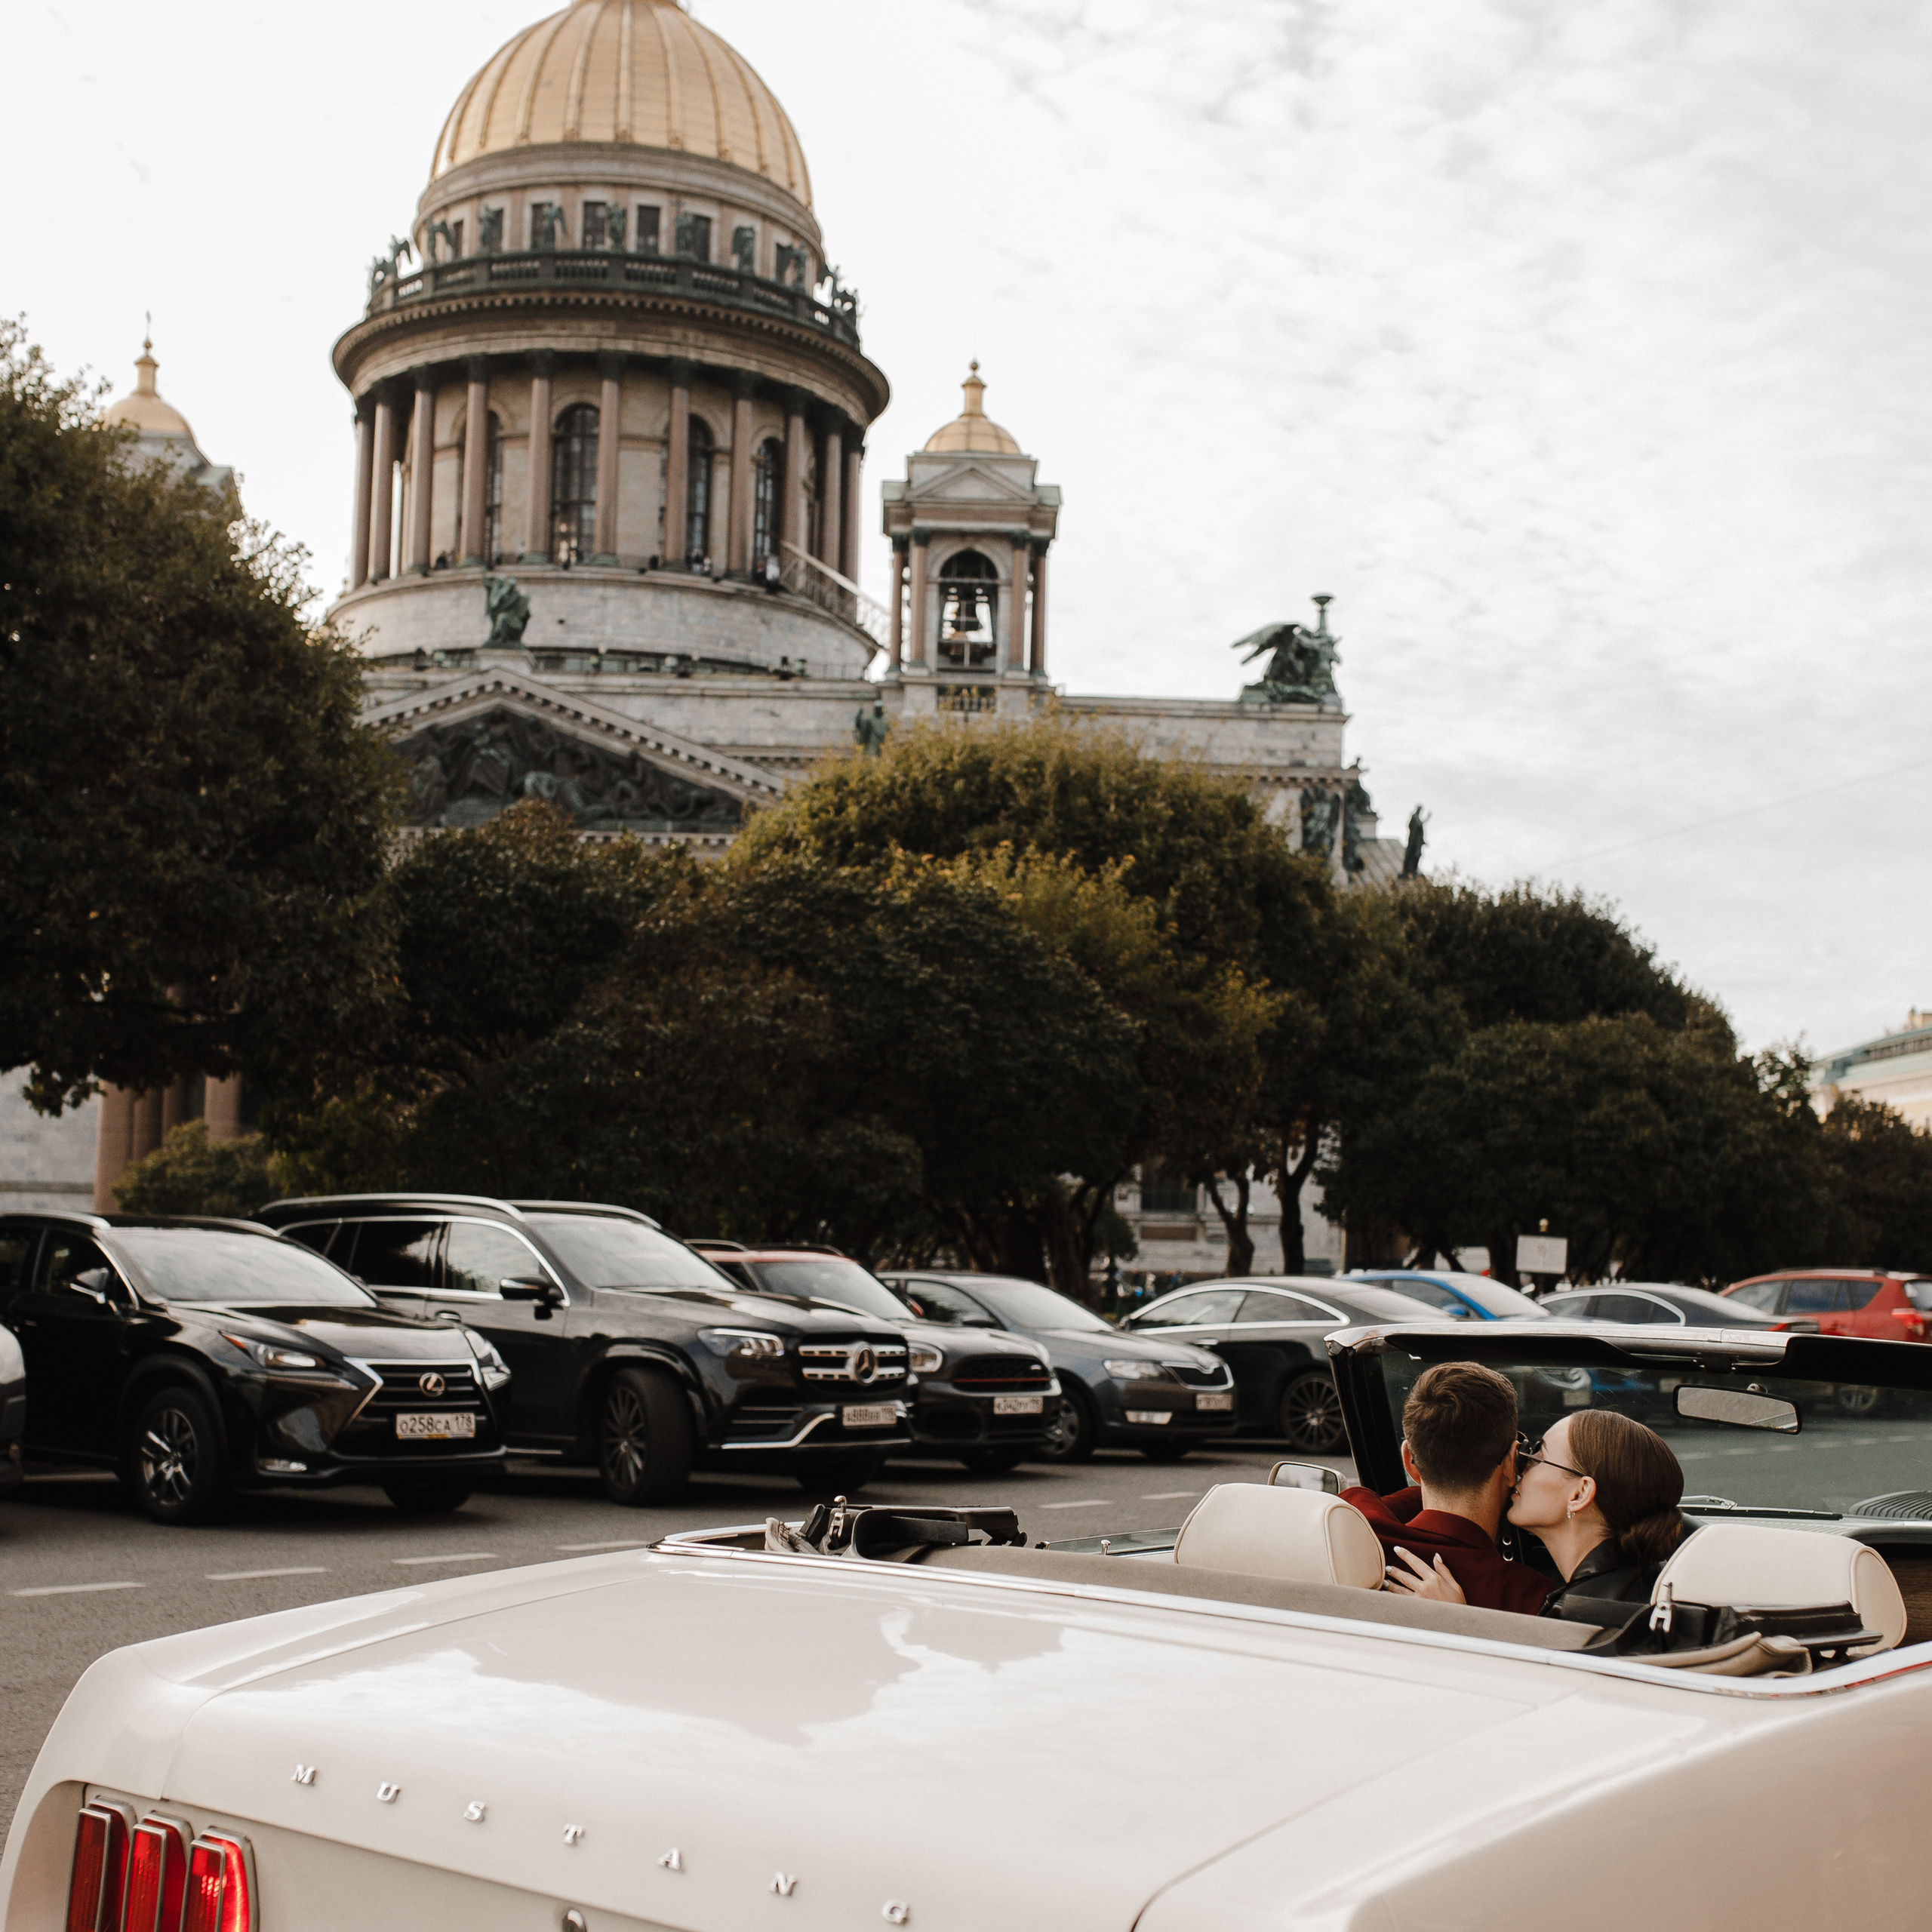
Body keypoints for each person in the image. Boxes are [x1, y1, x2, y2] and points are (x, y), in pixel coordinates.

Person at [1389, 1408, 1690, 1621]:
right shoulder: (1647, 1586)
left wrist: (1458, 1624)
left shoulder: (1579, 1616)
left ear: (1579, 1494)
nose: (1520, 1468)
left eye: (1538, 1457)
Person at [1342, 1361, 1551, 1614]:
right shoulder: (1531, 1597)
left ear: (1409, 1460)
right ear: (1511, 1462)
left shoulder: (1350, 1527)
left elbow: (1362, 1499)